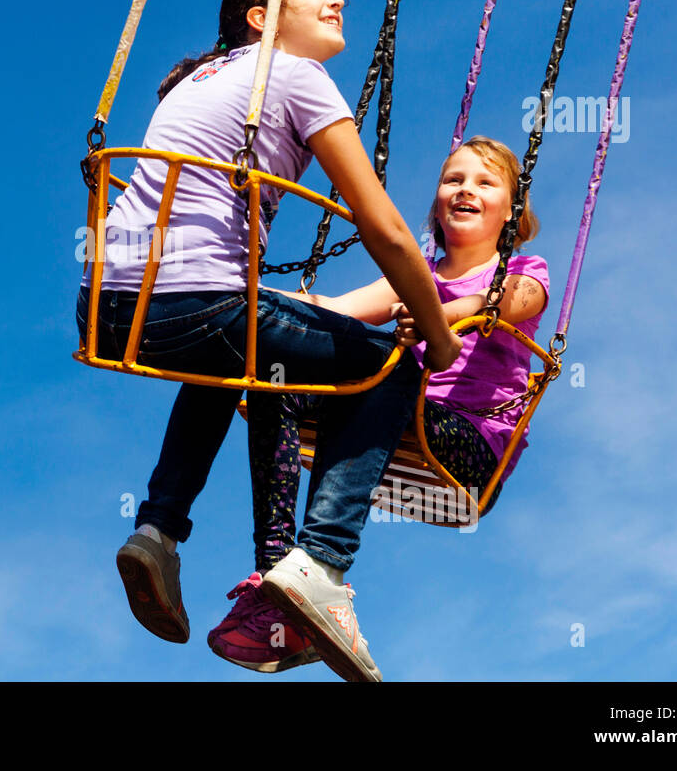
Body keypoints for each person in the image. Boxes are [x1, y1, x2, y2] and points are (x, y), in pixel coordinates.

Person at [74, 0, 464, 675]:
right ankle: (320, 565)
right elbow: (385, 229)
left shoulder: (200, 79)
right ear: (261, 19)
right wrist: (437, 339)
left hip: (109, 307)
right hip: (197, 300)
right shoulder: (291, 74)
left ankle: (160, 531)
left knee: (241, 358)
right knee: (387, 367)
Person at [209, 137, 549, 677]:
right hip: (396, 416)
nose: (465, 190)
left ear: (512, 211)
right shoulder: (415, 277)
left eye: (485, 183)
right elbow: (331, 307)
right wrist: (234, 292)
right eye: (453, 180)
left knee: (382, 372)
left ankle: (324, 561)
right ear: (437, 202)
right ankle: (277, 569)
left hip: (468, 443)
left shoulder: (526, 270)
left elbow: (506, 301)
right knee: (276, 370)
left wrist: (439, 314)